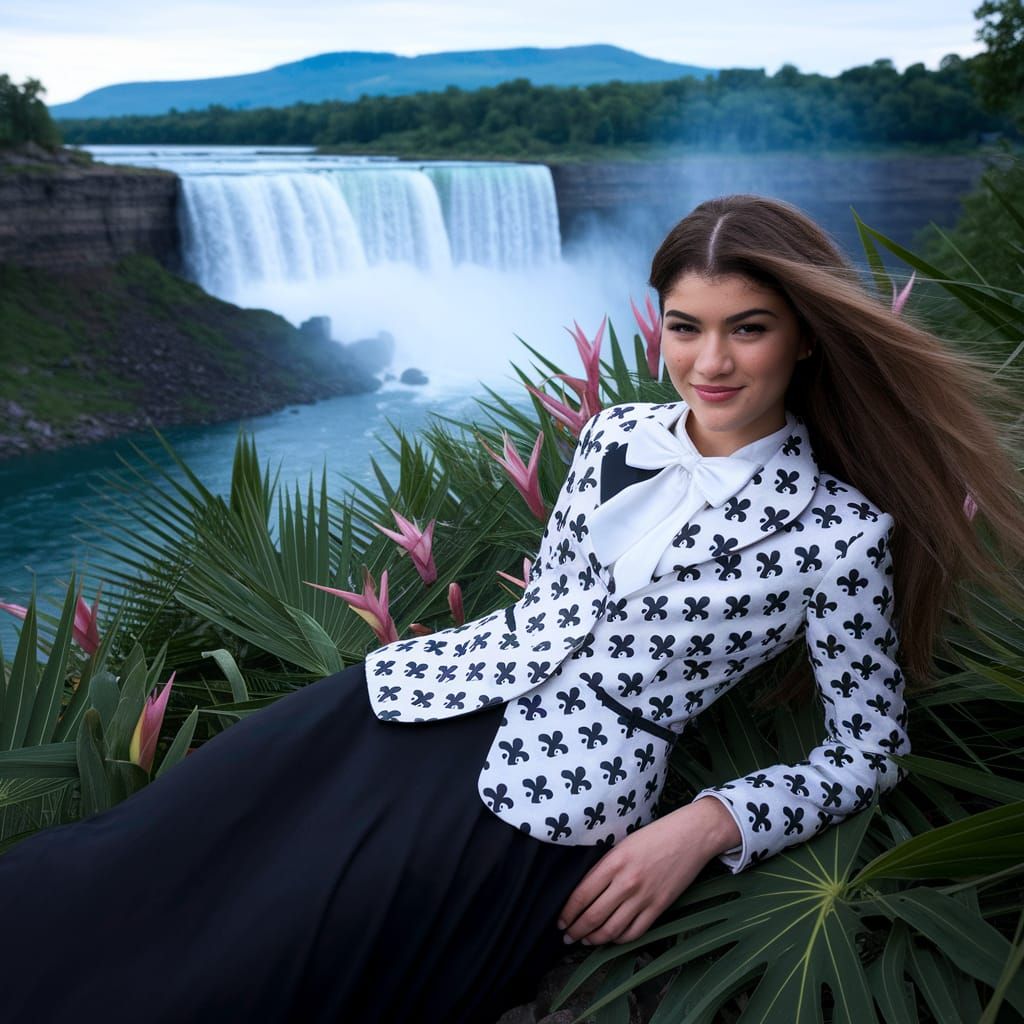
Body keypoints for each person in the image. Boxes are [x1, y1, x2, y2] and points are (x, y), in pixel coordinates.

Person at [1, 194, 1021, 1024]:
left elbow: (867, 748)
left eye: (747, 330)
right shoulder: (615, 433)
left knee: (253, 965)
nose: (711, 363)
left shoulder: (835, 533)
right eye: (685, 327)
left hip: (546, 804)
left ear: (803, 339)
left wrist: (707, 824)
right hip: (406, 702)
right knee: (147, 855)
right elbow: (553, 611)